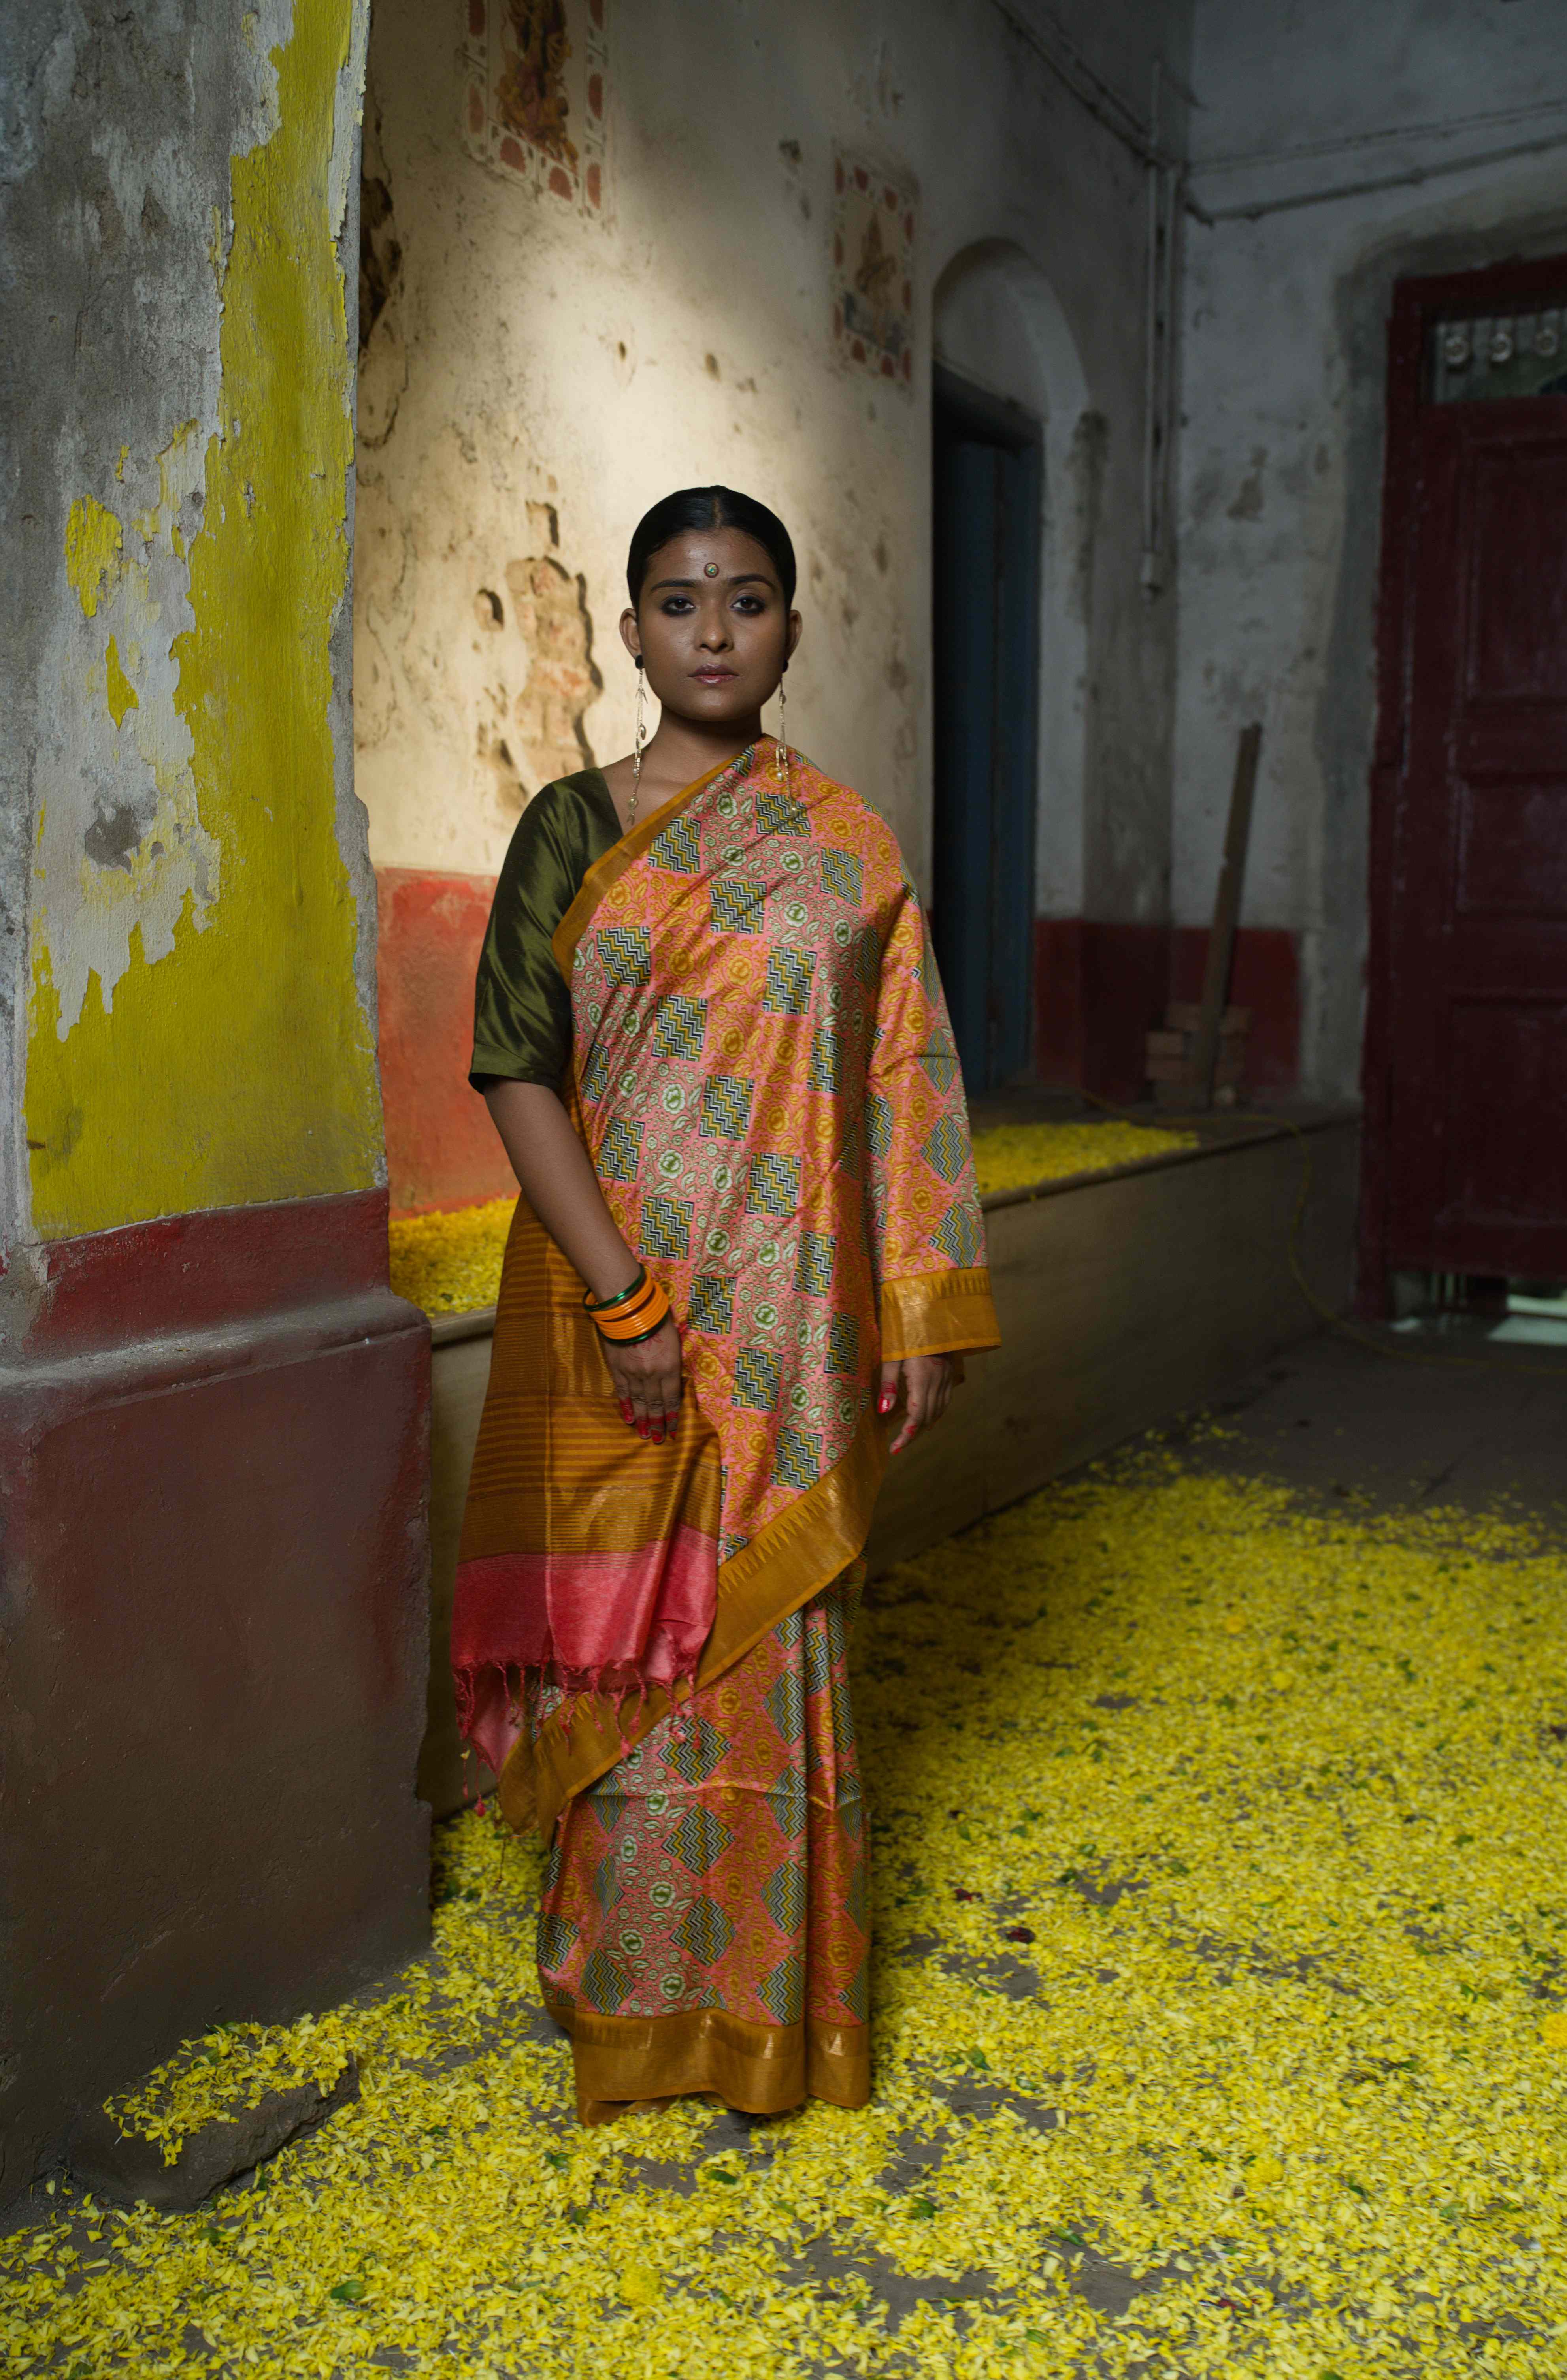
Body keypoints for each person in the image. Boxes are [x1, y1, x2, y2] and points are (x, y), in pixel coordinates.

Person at [454, 484, 999, 2126]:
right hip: (607, 1306)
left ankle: (769, 2006)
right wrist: (625, 1302)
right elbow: (515, 1072)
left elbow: (903, 1081)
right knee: (624, 1649)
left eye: (746, 599)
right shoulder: (569, 826)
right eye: (678, 601)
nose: (711, 629)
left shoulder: (844, 850)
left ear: (788, 629)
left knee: (767, 1644)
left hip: (791, 1332)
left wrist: (911, 1305)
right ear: (628, 632)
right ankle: (631, 2000)